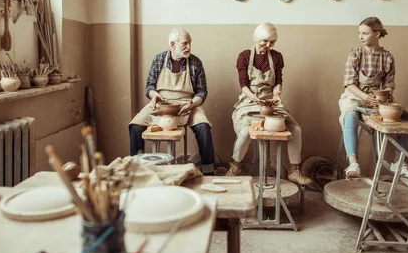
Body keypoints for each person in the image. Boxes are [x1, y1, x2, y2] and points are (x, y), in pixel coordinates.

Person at [225, 23, 310, 186]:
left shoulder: (277, 57)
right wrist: (254, 97)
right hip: (249, 101)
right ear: (257, 38)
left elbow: (278, 81)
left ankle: (294, 170)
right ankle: (235, 166)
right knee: (244, 132)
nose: (269, 45)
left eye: (272, 42)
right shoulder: (244, 56)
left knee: (296, 129)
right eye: (265, 41)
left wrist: (277, 93)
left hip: (270, 102)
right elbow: (243, 84)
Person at [128, 28, 215, 174]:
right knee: (135, 127)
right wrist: (153, 94)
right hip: (161, 103)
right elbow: (149, 86)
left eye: (190, 43)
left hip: (187, 104)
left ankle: (208, 171)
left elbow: (202, 91)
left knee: (204, 128)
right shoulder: (159, 59)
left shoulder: (195, 62)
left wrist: (193, 103)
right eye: (185, 44)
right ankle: (138, 171)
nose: (189, 47)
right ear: (173, 44)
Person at [339, 17, 408, 179]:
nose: (361, 36)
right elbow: (349, 84)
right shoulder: (356, 54)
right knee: (350, 116)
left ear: (377, 34)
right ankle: (353, 163)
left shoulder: (387, 57)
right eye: (359, 33)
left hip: (376, 100)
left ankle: (398, 161)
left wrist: (384, 95)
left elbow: (389, 84)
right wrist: (365, 97)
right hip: (354, 97)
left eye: (365, 33)